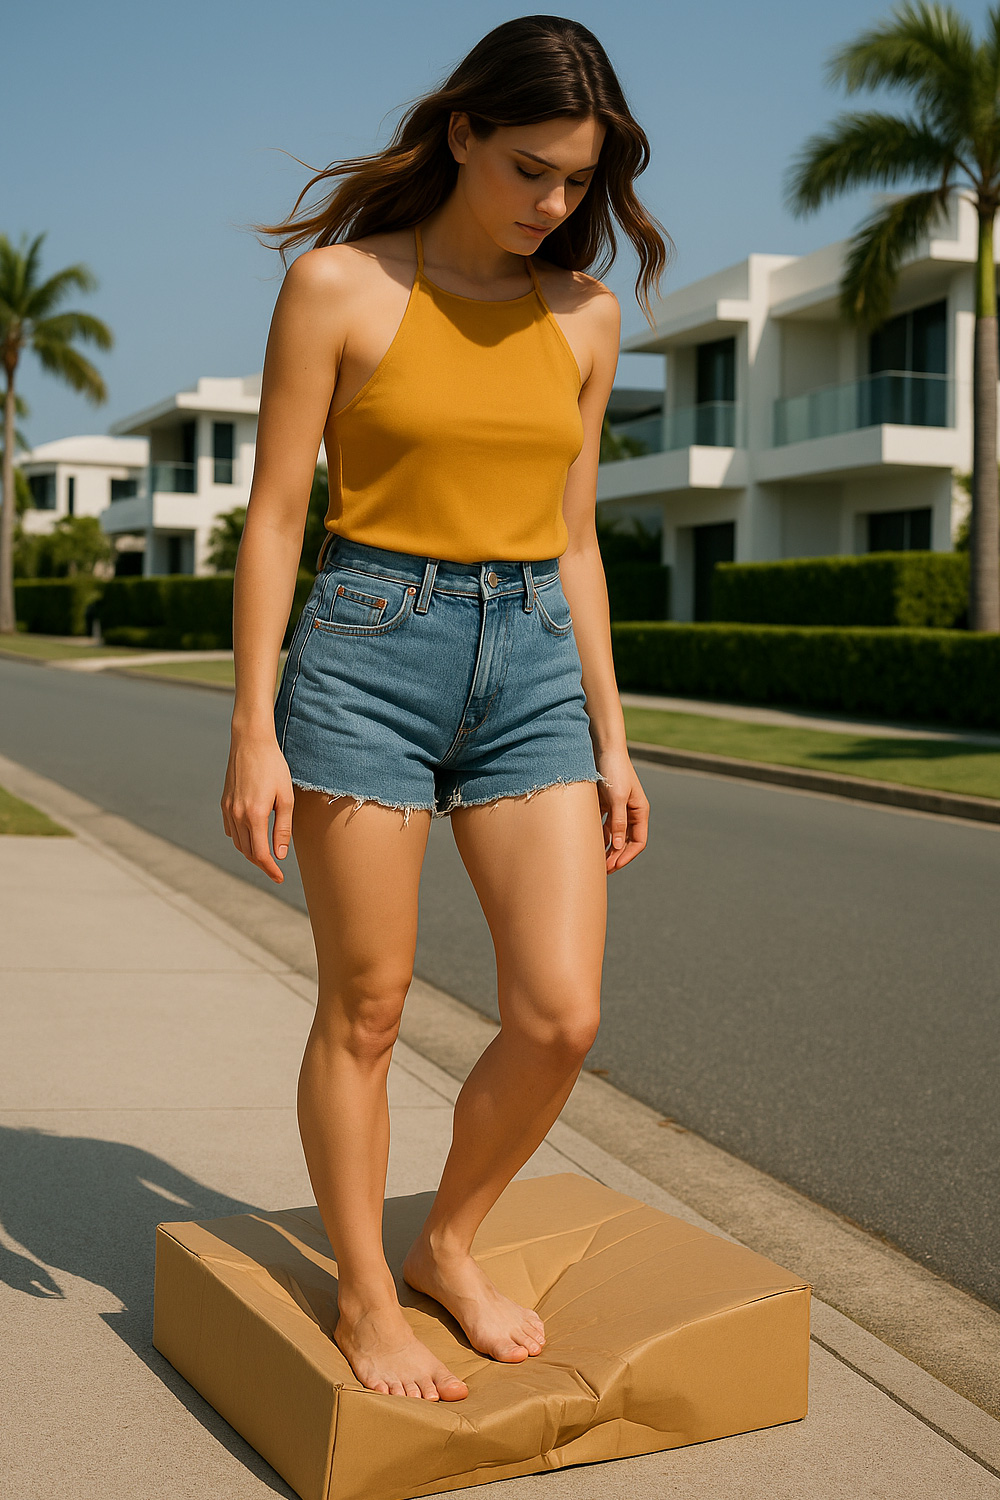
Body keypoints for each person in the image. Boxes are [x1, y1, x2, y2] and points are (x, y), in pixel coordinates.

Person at [221, 14, 671, 1404]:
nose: (554, 205)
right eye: (530, 168)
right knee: (366, 1006)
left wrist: (611, 732)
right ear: (462, 131)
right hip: (365, 653)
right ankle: (367, 1296)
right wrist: (253, 727)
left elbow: (577, 534)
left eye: (578, 182)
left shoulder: (583, 315)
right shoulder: (342, 287)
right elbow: (279, 514)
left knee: (560, 1012)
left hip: (531, 653)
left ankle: (446, 1242)